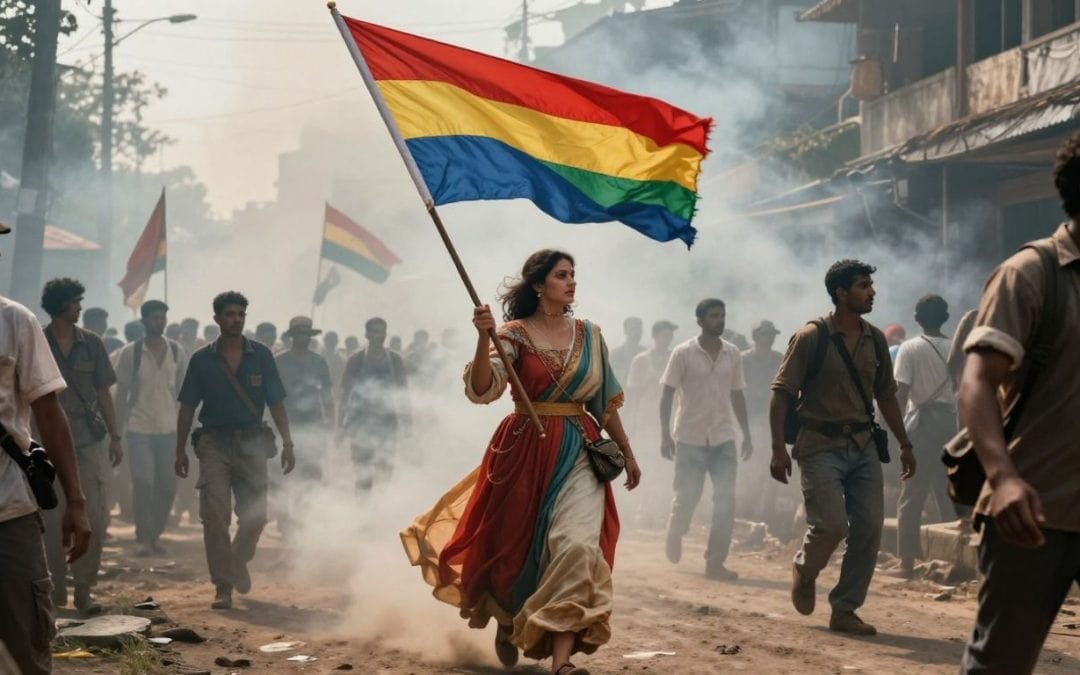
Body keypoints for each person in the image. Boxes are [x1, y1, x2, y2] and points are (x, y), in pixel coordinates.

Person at [401, 249, 641, 675]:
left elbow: (603, 402)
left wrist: (628, 450)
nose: (571, 282)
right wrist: (483, 336)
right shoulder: (510, 334)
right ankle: (510, 619)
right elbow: (482, 389)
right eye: (561, 275)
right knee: (516, 550)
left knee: (576, 546)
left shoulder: (590, 333)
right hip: (523, 450)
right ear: (538, 285)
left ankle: (562, 662)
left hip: (581, 450)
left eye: (573, 275)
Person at [957, 135, 1080, 674]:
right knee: (1002, 662)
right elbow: (978, 382)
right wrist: (1002, 478)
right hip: (1033, 511)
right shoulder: (1032, 274)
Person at [769, 260, 916, 636]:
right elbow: (781, 394)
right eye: (864, 285)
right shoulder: (810, 337)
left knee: (868, 528)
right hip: (818, 445)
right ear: (841, 293)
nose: (872, 292)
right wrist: (777, 450)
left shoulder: (875, 339)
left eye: (871, 285)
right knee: (832, 525)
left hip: (864, 444)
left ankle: (845, 610)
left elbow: (886, 394)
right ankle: (805, 570)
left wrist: (905, 443)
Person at [0, 222, 92, 675]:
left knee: (27, 645)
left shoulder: (15, 321)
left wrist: (75, 501)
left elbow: (50, 416)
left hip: (8, 512)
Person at [174, 291, 296, 609]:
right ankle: (223, 585)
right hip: (214, 442)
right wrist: (179, 449)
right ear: (217, 318)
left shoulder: (262, 355)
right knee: (215, 516)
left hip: (252, 442)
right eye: (229, 314)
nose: (236, 319)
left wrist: (288, 442)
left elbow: (277, 402)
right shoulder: (202, 359)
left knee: (255, 518)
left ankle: (237, 561)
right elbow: (187, 406)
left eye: (241, 314)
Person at [41, 278, 123, 615]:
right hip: (43, 444)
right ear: (61, 305)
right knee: (49, 517)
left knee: (94, 516)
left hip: (88, 444)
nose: (80, 307)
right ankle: (55, 586)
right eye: (75, 301)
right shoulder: (37, 342)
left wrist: (115, 437)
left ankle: (84, 589)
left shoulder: (92, 344)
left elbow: (104, 392)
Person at [660, 299, 752, 581]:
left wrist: (746, 432)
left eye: (722, 316)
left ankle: (714, 562)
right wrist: (665, 434)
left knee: (725, 501)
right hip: (690, 437)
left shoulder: (733, 353)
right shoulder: (683, 353)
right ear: (700, 320)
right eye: (714, 316)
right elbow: (667, 395)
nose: (719, 320)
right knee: (688, 497)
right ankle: (676, 529)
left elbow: (737, 393)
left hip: (724, 437)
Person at [113, 300, 188, 557]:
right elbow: (121, 392)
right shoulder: (130, 353)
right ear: (144, 321)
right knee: (144, 483)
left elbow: (184, 394)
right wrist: (116, 432)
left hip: (169, 429)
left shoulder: (177, 352)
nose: (160, 322)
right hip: (138, 428)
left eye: (162, 318)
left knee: (167, 486)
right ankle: (144, 537)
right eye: (154, 318)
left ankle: (155, 534)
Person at [893, 295, 959, 575]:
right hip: (951, 428)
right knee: (949, 495)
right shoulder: (958, 349)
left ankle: (906, 562)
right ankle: (956, 562)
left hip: (920, 429)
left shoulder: (909, 348)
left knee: (912, 495)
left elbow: (901, 394)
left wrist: (897, 434)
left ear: (917, 319)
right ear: (945, 318)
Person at [339, 318, 408, 491]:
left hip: (387, 423)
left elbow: (403, 393)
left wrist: (408, 423)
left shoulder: (394, 360)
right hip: (360, 423)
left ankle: (381, 512)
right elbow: (345, 394)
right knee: (363, 473)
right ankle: (362, 513)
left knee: (385, 471)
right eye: (376, 331)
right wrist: (340, 424)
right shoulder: (356, 360)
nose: (380, 336)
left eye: (383, 331)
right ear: (367, 334)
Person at [741, 320, 793, 537]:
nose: (770, 337)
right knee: (749, 469)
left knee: (772, 467)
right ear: (756, 336)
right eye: (765, 334)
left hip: (771, 419)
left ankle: (765, 515)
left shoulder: (779, 359)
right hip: (748, 419)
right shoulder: (743, 360)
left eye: (772, 334)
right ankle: (745, 511)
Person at [623, 320, 677, 528]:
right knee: (646, 461)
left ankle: (656, 509)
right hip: (646, 418)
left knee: (663, 465)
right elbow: (633, 393)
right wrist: (630, 419)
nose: (668, 338)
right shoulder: (642, 360)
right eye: (665, 334)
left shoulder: (675, 357)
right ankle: (639, 508)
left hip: (670, 419)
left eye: (670, 335)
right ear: (656, 336)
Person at [609, 316, 644, 384]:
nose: (636, 333)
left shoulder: (647, 353)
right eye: (633, 329)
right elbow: (613, 377)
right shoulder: (616, 354)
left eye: (639, 329)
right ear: (625, 331)